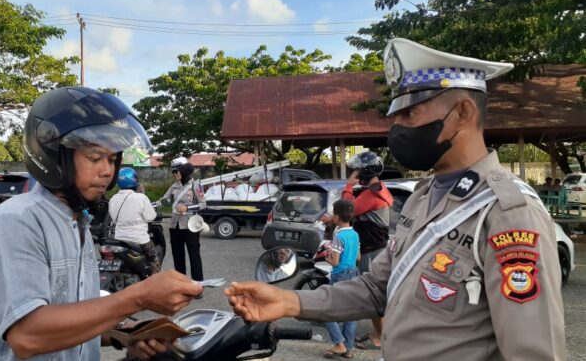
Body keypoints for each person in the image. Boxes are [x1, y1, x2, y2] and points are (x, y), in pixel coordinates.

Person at [225, 38, 565, 360]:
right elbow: (376, 289)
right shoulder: (422, 197)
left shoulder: (509, 213)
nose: (397, 128)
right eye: (395, 115)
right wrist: (288, 301)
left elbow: (532, 352)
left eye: (410, 113)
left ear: (462, 113)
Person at [0, 87, 203, 361]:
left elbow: (71, 316)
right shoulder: (17, 222)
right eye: (94, 157)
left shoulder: (79, 224)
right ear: (54, 157)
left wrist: (126, 331)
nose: (107, 170)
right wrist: (138, 297)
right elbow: (27, 334)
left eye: (112, 159)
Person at [343, 150, 393, 350]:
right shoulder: (376, 188)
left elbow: (346, 210)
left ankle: (379, 337)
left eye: (357, 170)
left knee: (372, 294)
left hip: (373, 250)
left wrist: (348, 185)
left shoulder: (372, 194)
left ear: (364, 172)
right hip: (374, 247)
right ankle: (379, 332)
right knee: (375, 292)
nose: (354, 172)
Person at [322, 199, 360, 359]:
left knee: (326, 311)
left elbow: (335, 261)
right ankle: (348, 348)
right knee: (351, 313)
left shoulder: (339, 235)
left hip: (340, 275)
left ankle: (339, 343)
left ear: (336, 217)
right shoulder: (355, 234)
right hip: (354, 273)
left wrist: (327, 256)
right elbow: (358, 257)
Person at [158, 157, 206, 283]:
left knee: (194, 255)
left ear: (184, 170)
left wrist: (187, 207)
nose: (174, 174)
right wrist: (145, 200)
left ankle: (197, 285)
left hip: (191, 225)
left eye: (176, 171)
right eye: (173, 172)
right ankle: (181, 284)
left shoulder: (196, 185)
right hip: (175, 226)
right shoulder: (173, 186)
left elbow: (203, 204)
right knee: (177, 256)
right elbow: (163, 200)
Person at [109, 167, 160, 274]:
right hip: (139, 240)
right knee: (154, 260)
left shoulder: (113, 199)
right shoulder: (141, 198)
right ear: (134, 180)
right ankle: (155, 281)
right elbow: (150, 217)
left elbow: (113, 218)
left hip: (119, 240)